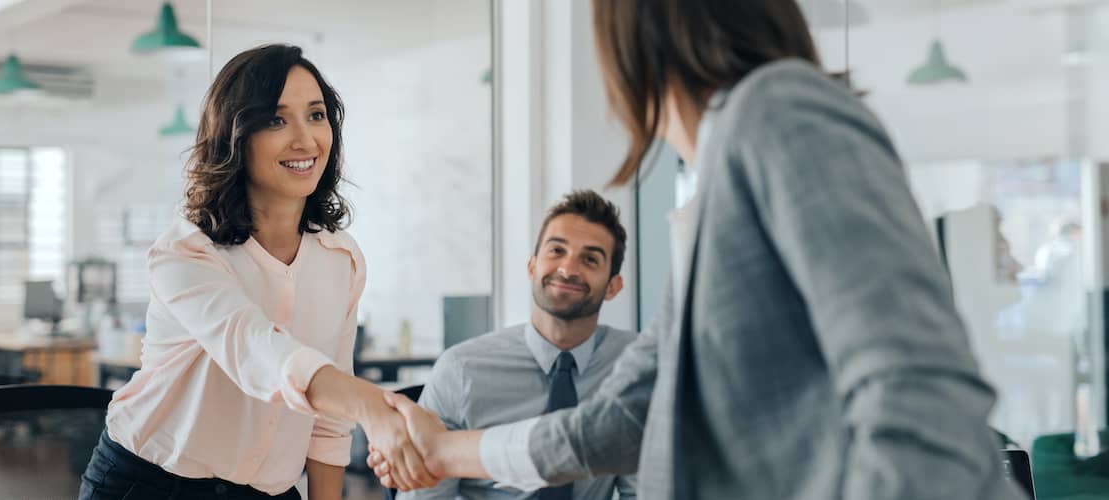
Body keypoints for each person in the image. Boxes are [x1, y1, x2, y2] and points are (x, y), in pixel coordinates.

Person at [369, 1, 1028, 499]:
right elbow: (620, 421)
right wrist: (444, 451)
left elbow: (920, 396)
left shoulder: (779, 108)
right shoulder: (710, 189)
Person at [78, 44, 435, 500]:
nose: (305, 139)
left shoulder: (340, 258)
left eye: (317, 115)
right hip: (149, 482)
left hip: (267, 491)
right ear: (235, 134)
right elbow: (256, 350)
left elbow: (327, 424)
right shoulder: (186, 250)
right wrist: (376, 409)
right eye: (275, 120)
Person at [397, 190, 637, 500]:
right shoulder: (461, 371)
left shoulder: (631, 366)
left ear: (613, 287)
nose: (568, 269)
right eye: (556, 251)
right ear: (532, 267)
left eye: (590, 259)